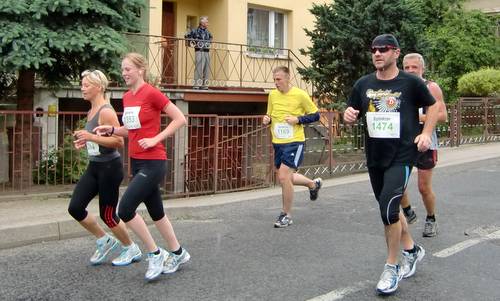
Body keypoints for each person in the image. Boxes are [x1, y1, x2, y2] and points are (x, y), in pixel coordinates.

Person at [343, 34, 440, 295]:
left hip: (402, 155)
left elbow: (433, 107)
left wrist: (426, 133)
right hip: (375, 156)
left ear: (396, 53)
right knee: (391, 210)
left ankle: (391, 266)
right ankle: (412, 250)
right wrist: (348, 115)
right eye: (374, 49)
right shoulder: (363, 83)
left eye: (383, 49)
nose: (377, 53)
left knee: (388, 209)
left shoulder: (410, 82)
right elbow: (351, 112)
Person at [94, 53, 190, 282]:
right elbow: (132, 130)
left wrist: (156, 139)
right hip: (137, 161)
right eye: (122, 69)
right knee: (157, 212)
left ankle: (155, 254)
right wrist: (112, 131)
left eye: (128, 69)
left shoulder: (152, 93)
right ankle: (178, 253)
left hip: (154, 161)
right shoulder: (127, 97)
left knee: (124, 209)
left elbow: (180, 119)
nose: (124, 73)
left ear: (140, 70)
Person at [69, 70, 141, 266]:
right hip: (95, 166)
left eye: (86, 85)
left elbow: (118, 141)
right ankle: (105, 240)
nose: (82, 88)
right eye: (81, 84)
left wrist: (91, 136)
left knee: (108, 214)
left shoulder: (106, 111)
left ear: (99, 87)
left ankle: (130, 247)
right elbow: (99, 140)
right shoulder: (91, 110)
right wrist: (85, 141)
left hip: (110, 168)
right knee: (75, 208)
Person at [262, 66, 323, 228]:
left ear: (288, 79)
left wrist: (298, 119)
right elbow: (270, 113)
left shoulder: (300, 95)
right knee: (285, 177)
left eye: (279, 79)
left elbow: (316, 115)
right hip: (278, 142)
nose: (276, 83)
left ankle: (286, 215)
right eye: (274, 79)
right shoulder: (272, 95)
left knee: (283, 176)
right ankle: (313, 184)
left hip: (294, 142)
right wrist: (267, 119)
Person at [400, 53, 448, 237]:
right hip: (404, 142)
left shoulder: (431, 87)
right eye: (407, 68)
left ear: (422, 69)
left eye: (415, 67)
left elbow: (443, 116)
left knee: (423, 187)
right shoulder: (400, 86)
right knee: (397, 184)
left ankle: (431, 218)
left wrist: (416, 117)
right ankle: (408, 211)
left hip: (426, 143)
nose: (411, 71)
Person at [185, 16, 213, 90]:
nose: (208, 23)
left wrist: (209, 43)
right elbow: (187, 36)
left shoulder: (208, 32)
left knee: (207, 68)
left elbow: (211, 38)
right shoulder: (195, 31)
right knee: (198, 67)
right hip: (199, 50)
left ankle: (205, 85)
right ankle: (196, 84)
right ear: (202, 22)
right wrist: (192, 43)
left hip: (207, 51)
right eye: (206, 22)